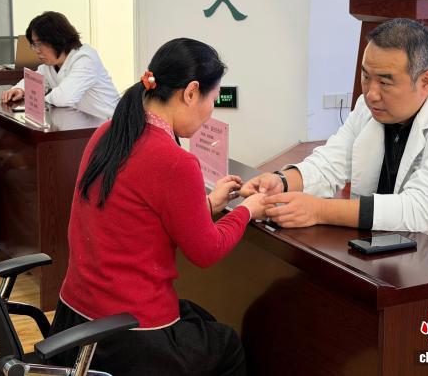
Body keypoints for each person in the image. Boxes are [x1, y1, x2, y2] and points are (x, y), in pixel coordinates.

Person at [242, 18, 428, 318]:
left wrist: (319, 210)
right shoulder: (370, 107)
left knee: (361, 322)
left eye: (385, 82)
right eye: (366, 77)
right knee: (311, 302)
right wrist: (282, 181)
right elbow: (331, 161)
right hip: (406, 255)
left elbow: (418, 208)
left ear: (425, 81)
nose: (371, 93)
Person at [49, 38, 266, 375]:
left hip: (74, 320)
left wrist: (209, 203)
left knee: (200, 318)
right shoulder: (175, 161)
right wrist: (248, 209)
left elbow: (136, 217)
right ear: (191, 92)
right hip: (128, 336)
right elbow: (206, 251)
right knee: (226, 344)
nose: (211, 111)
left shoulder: (108, 132)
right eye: (213, 100)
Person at [0, 11, 119, 119]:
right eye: (34, 45)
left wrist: (38, 98)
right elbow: (35, 80)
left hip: (108, 125)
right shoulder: (51, 63)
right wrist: (20, 89)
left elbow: (63, 98)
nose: (36, 50)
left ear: (57, 39)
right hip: (79, 122)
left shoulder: (85, 59)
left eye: (39, 44)